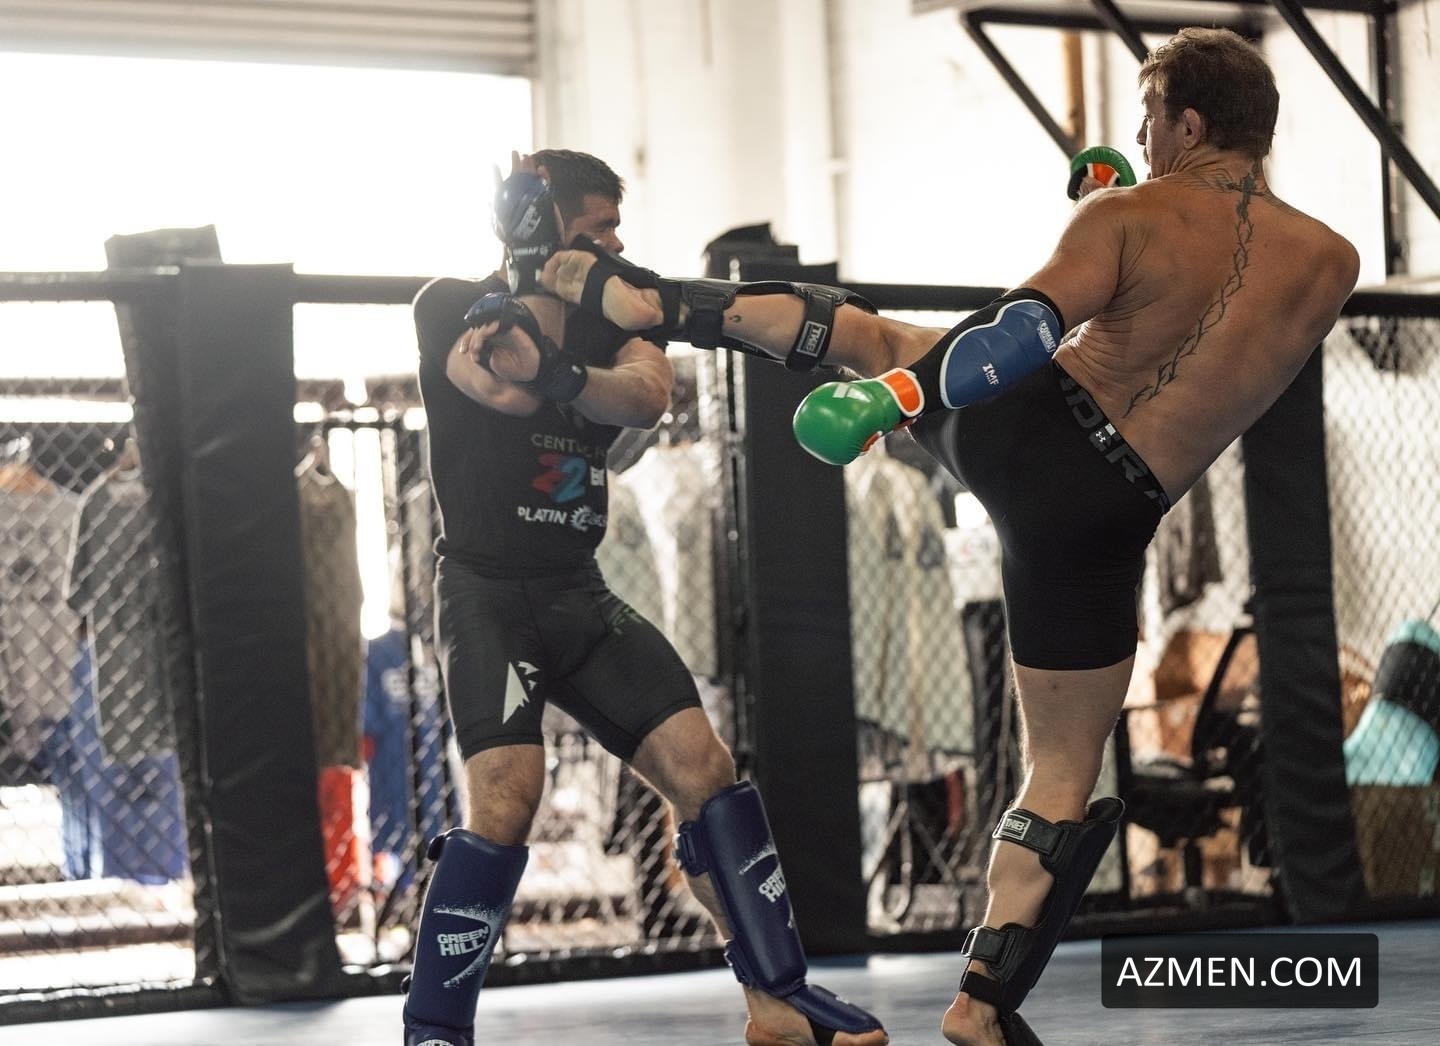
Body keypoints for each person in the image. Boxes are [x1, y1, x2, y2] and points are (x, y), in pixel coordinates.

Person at [534, 29, 1360, 1046]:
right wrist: (1115, 209)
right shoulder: (1332, 260)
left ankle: (658, 303)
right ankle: (981, 1002)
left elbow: (1021, 333)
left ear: (1188, 124)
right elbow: (1200, 312)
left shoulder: (1130, 215)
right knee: (1064, 774)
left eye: (1152, 120)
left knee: (866, 331)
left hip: (1036, 436)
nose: (1144, 139)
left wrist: (894, 394)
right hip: (1117, 510)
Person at [403, 148, 888, 1046]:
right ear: (544, 225)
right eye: (599, 228)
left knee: (705, 772)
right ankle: (434, 1031)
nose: (617, 245)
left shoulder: (621, 316)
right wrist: (540, 351)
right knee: (506, 799)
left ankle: (778, 1002)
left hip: (578, 595)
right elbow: (494, 387)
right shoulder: (450, 304)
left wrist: (558, 371)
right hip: (488, 595)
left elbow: (645, 397)